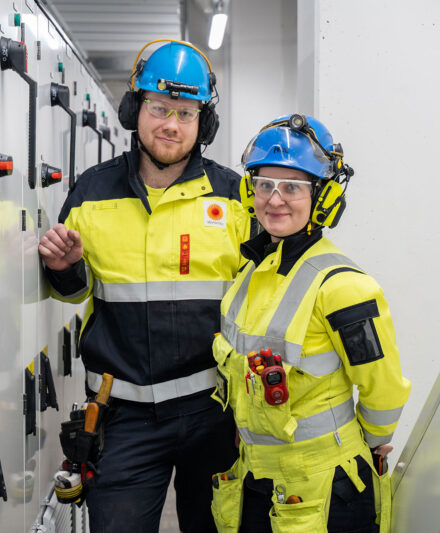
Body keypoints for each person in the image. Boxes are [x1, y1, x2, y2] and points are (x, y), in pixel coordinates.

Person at [38, 39, 251, 532]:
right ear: (137, 109)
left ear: (204, 123)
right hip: (123, 416)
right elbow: (73, 294)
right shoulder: (91, 192)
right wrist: (66, 268)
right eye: (159, 107)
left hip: (214, 412)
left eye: (185, 112)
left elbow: (269, 302)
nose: (171, 125)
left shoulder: (236, 197)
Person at [209, 114, 411, 533]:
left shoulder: (344, 288)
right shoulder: (250, 276)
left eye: (293, 187)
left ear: (322, 198)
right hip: (257, 479)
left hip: (326, 488)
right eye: (265, 185)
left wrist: (374, 441)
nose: (275, 199)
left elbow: (384, 389)